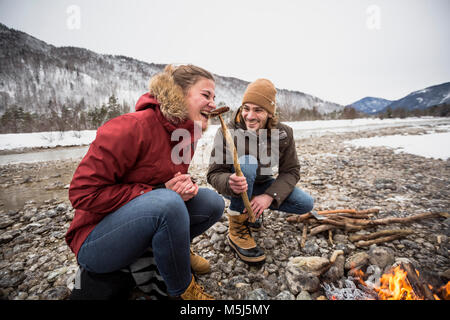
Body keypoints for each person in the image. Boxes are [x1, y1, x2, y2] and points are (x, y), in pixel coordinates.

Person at [65, 64, 225, 300]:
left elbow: (165, 182)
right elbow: (81, 194)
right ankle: (182, 291)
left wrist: (183, 186)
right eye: (205, 95)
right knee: (168, 203)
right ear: (178, 93)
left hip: (144, 219)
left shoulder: (186, 134)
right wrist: (160, 192)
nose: (213, 103)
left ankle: (175, 249)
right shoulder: (130, 127)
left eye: (214, 97)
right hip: (96, 239)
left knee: (212, 202)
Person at [207, 78, 314, 264]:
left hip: (264, 184)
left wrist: (269, 196)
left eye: (258, 110)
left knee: (305, 203)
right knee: (247, 163)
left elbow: (291, 171)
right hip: (237, 185)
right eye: (246, 108)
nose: (250, 115)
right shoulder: (228, 130)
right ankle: (237, 228)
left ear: (270, 113)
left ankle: (255, 209)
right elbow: (214, 173)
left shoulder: (284, 133)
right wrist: (229, 181)